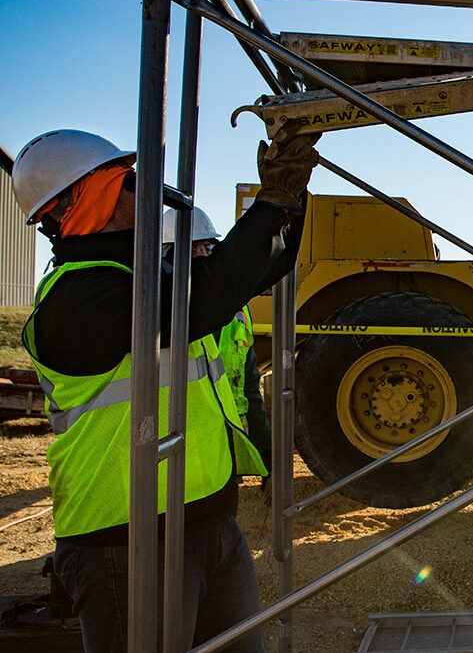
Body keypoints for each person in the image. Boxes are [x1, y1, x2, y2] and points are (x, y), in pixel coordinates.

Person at [15, 123, 319, 652]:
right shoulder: (76, 299)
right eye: (125, 180)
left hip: (208, 522)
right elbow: (202, 299)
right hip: (126, 542)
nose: (141, 189)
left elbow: (256, 272)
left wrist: (290, 198)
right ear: (78, 201)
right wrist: (272, 199)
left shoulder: (140, 273)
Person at [163, 207, 272, 472]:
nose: (203, 256)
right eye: (192, 249)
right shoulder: (157, 313)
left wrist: (268, 455)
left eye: (208, 248)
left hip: (223, 454)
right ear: (167, 256)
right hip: (174, 458)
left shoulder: (237, 314)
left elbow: (248, 390)